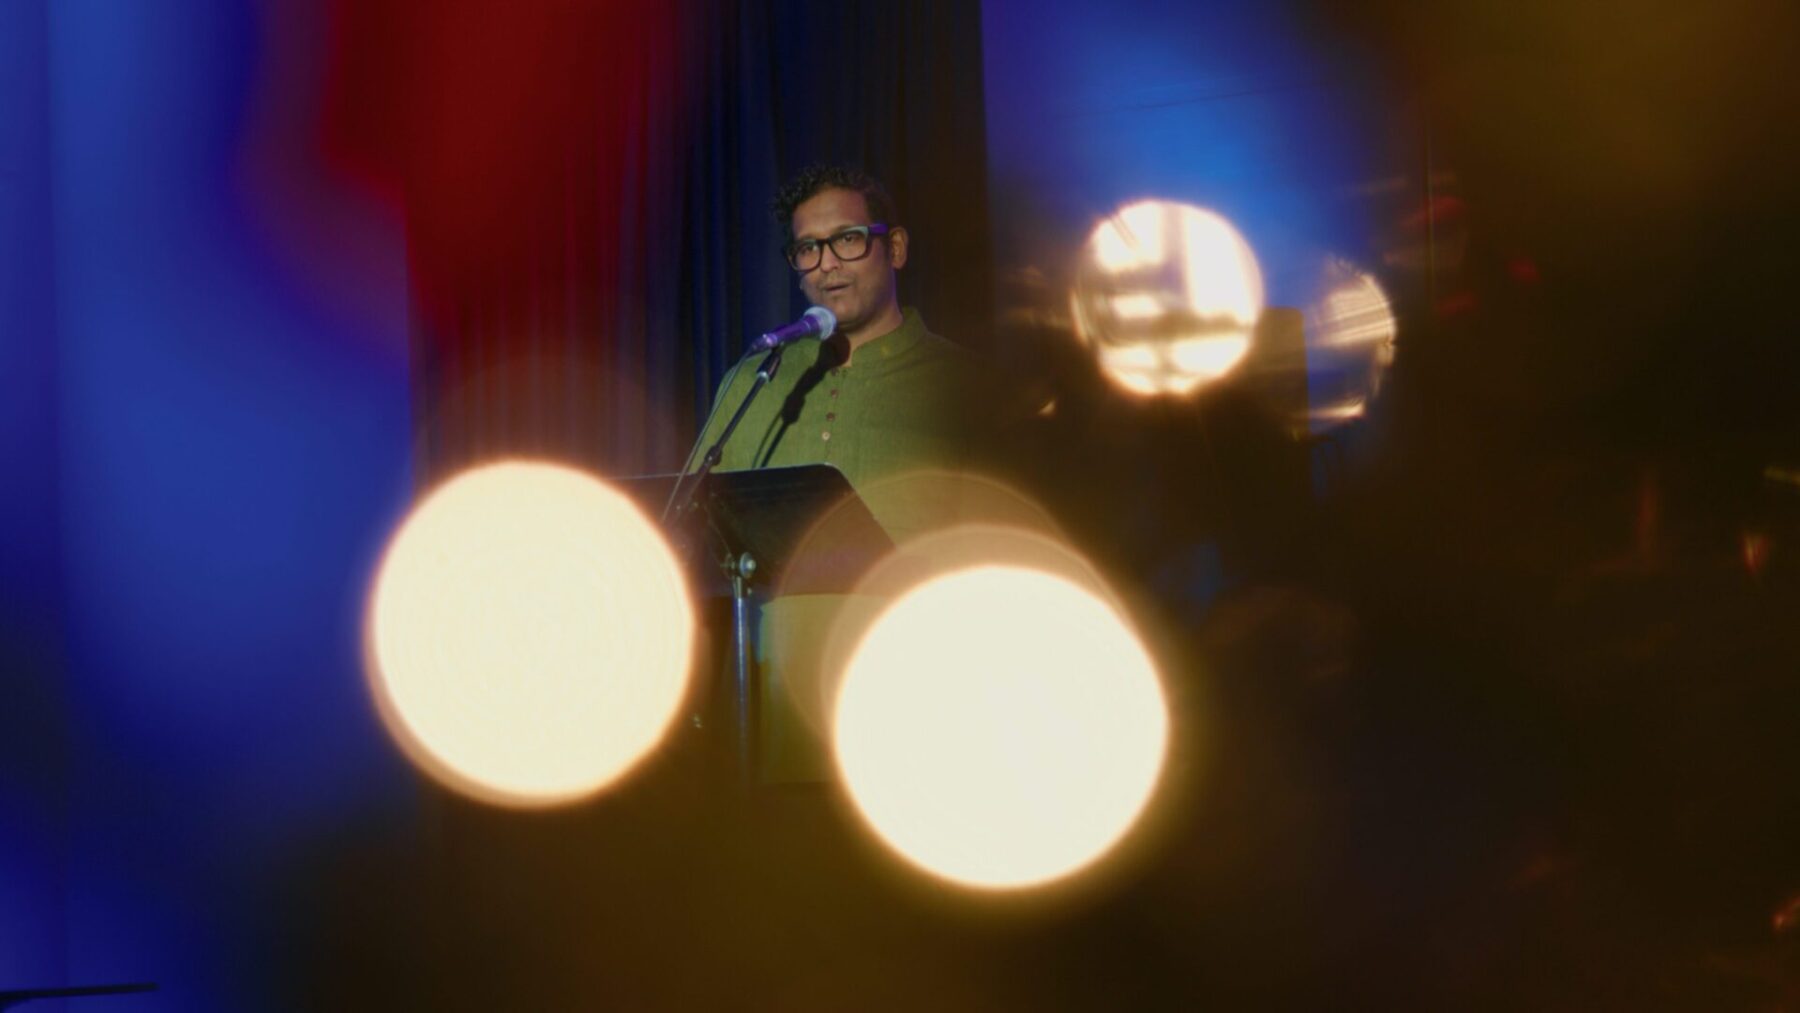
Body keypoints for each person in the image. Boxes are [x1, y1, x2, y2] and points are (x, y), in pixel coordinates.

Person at [692, 164, 988, 781]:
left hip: (913, 723)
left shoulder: (962, 386)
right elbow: (690, 531)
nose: (827, 264)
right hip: (765, 719)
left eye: (848, 239)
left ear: (895, 247)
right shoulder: (757, 379)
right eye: (807, 249)